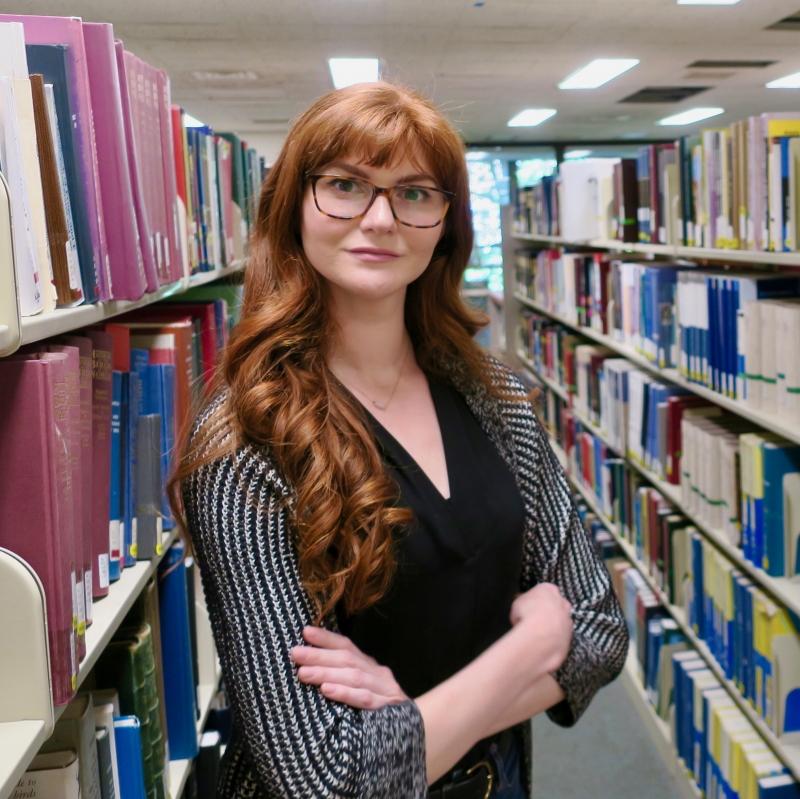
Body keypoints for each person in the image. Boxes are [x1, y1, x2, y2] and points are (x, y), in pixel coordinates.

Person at [172, 81, 629, 799]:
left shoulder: (493, 396)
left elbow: (600, 631)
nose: (380, 219)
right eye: (345, 186)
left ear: (445, 224)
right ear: (293, 206)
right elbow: (326, 780)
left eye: (414, 193)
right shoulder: (244, 443)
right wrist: (531, 648)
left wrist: (410, 716)